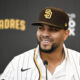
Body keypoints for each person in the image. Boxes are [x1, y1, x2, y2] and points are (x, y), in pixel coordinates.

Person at [0, 7, 80, 80]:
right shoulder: (18, 62)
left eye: (52, 29)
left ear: (65, 34)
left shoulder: (77, 61)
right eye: (41, 28)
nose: (45, 34)